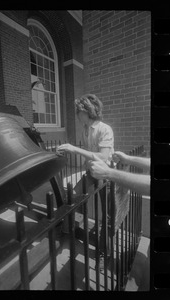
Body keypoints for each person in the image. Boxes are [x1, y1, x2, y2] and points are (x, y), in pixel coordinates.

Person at [57, 94, 114, 269]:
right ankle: (68, 231)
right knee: (72, 196)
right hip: (90, 172)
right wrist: (73, 154)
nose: (77, 115)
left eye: (79, 111)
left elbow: (104, 157)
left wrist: (74, 149)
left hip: (105, 175)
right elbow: (89, 153)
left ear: (88, 111)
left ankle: (105, 252)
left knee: (107, 215)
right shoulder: (85, 130)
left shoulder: (105, 129)